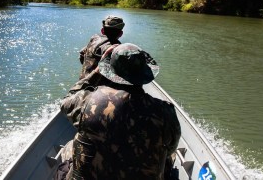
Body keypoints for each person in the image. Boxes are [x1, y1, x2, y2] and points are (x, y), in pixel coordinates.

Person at [61, 43, 181, 180]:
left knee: (69, 147)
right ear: (144, 74)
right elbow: (171, 147)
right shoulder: (165, 112)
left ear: (109, 72)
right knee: (170, 156)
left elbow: (66, 101)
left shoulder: (87, 101)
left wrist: (95, 72)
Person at [79, 15, 125, 80]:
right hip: (99, 88)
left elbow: (82, 54)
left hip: (81, 83)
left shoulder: (95, 38)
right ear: (121, 34)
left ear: (102, 31)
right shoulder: (116, 48)